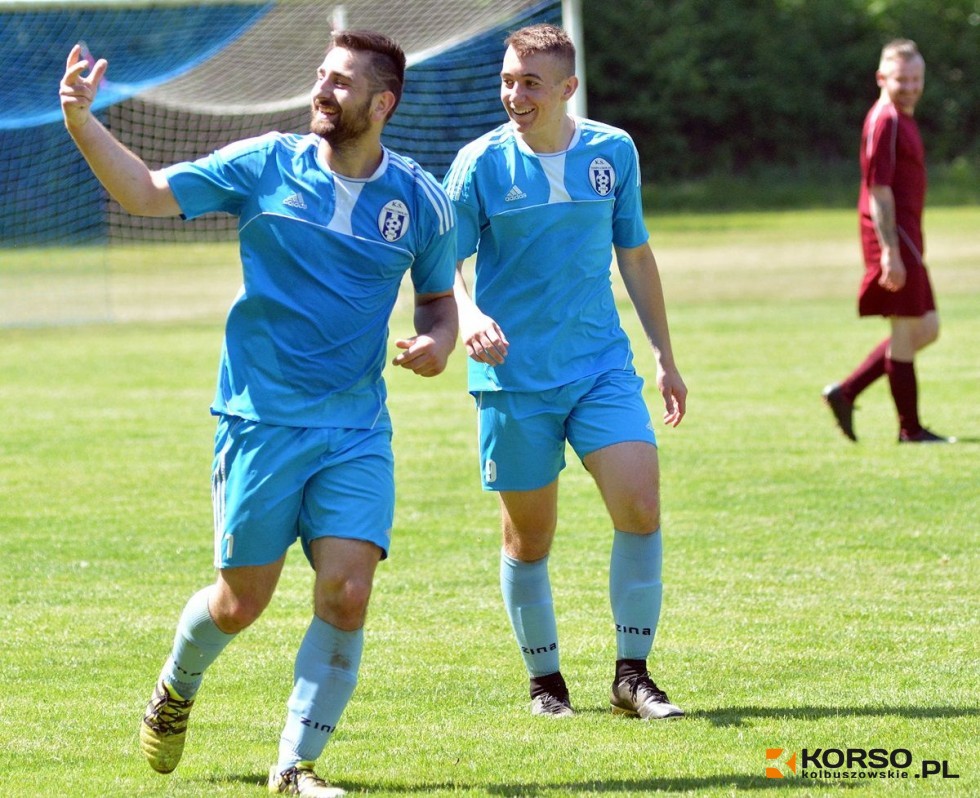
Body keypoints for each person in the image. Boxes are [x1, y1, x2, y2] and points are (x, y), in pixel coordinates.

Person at [60, 30, 457, 797]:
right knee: (241, 604)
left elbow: (438, 300)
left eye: (340, 83)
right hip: (260, 422)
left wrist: (438, 343)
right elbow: (145, 193)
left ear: (383, 103)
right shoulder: (267, 164)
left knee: (347, 591)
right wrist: (83, 120)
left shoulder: (419, 199)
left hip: (356, 429)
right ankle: (176, 685)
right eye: (320, 76)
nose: (321, 91)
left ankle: (294, 766)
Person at [443, 24, 687, 721]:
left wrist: (666, 356)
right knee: (530, 537)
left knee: (640, 506)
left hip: (600, 367)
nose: (514, 95)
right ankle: (546, 682)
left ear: (567, 89)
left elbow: (635, 255)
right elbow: (441, 268)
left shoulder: (614, 152)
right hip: (514, 378)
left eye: (530, 83)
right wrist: (468, 318)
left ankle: (632, 675)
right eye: (508, 80)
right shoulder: (479, 165)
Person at [823, 39, 954, 444]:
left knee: (925, 328)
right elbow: (879, 190)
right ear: (882, 78)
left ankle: (846, 392)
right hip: (893, 237)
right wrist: (890, 252)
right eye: (902, 79)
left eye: (916, 78)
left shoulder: (902, 116)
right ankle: (910, 429)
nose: (911, 86)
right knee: (905, 329)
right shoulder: (886, 121)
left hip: (907, 235)